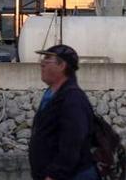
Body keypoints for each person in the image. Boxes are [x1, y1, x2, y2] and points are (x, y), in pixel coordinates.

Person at [29, 44, 97, 180]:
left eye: (47, 60)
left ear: (62, 65)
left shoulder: (73, 99)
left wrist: (55, 174)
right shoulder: (52, 95)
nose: (42, 64)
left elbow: (73, 142)